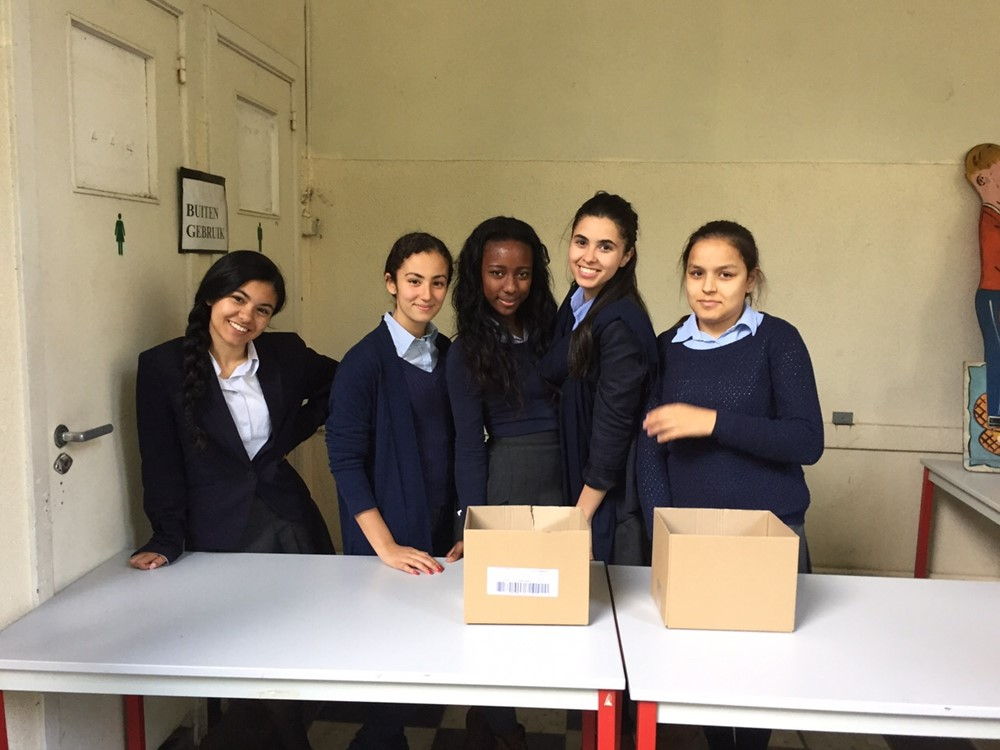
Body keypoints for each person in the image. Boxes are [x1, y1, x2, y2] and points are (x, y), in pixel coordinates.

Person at [131, 249, 337, 750]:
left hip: (287, 518)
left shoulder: (285, 353)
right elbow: (160, 461)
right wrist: (165, 536)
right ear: (210, 297)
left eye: (263, 309)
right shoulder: (161, 366)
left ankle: (290, 734)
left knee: (304, 638)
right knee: (249, 648)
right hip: (219, 528)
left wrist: (291, 433)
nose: (247, 317)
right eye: (237, 300)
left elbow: (340, 381)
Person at [639, 220, 823, 750]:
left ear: (751, 279)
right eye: (697, 273)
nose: (708, 287)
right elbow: (648, 451)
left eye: (725, 274)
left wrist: (712, 422)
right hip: (693, 539)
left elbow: (806, 440)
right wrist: (662, 532)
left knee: (767, 673)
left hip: (770, 535)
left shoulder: (778, 340)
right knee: (704, 674)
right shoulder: (665, 347)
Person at [326, 232, 459, 750]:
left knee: (424, 644)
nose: (426, 294)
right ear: (390, 283)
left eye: (438, 283)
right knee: (385, 652)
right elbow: (344, 461)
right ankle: (377, 738)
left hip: (436, 520)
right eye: (413, 281)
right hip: (387, 530)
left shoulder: (447, 353)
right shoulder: (364, 362)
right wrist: (384, 546)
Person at [447, 216, 559, 750]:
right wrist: (471, 523)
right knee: (502, 611)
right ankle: (500, 724)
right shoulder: (465, 349)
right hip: (509, 478)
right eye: (497, 273)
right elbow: (469, 444)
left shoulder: (552, 331)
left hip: (566, 476)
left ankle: (518, 713)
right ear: (477, 275)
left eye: (522, 273)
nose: (510, 286)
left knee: (558, 600)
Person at [541, 191, 657, 565]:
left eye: (605, 247)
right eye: (581, 242)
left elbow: (613, 429)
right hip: (580, 475)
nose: (588, 256)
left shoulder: (620, 324)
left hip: (606, 495)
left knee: (606, 588)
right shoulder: (578, 302)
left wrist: (582, 516)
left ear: (626, 256)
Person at [965, 144, 1000, 428]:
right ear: (983, 180)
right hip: (992, 295)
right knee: (997, 350)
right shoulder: (990, 219)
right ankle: (996, 413)